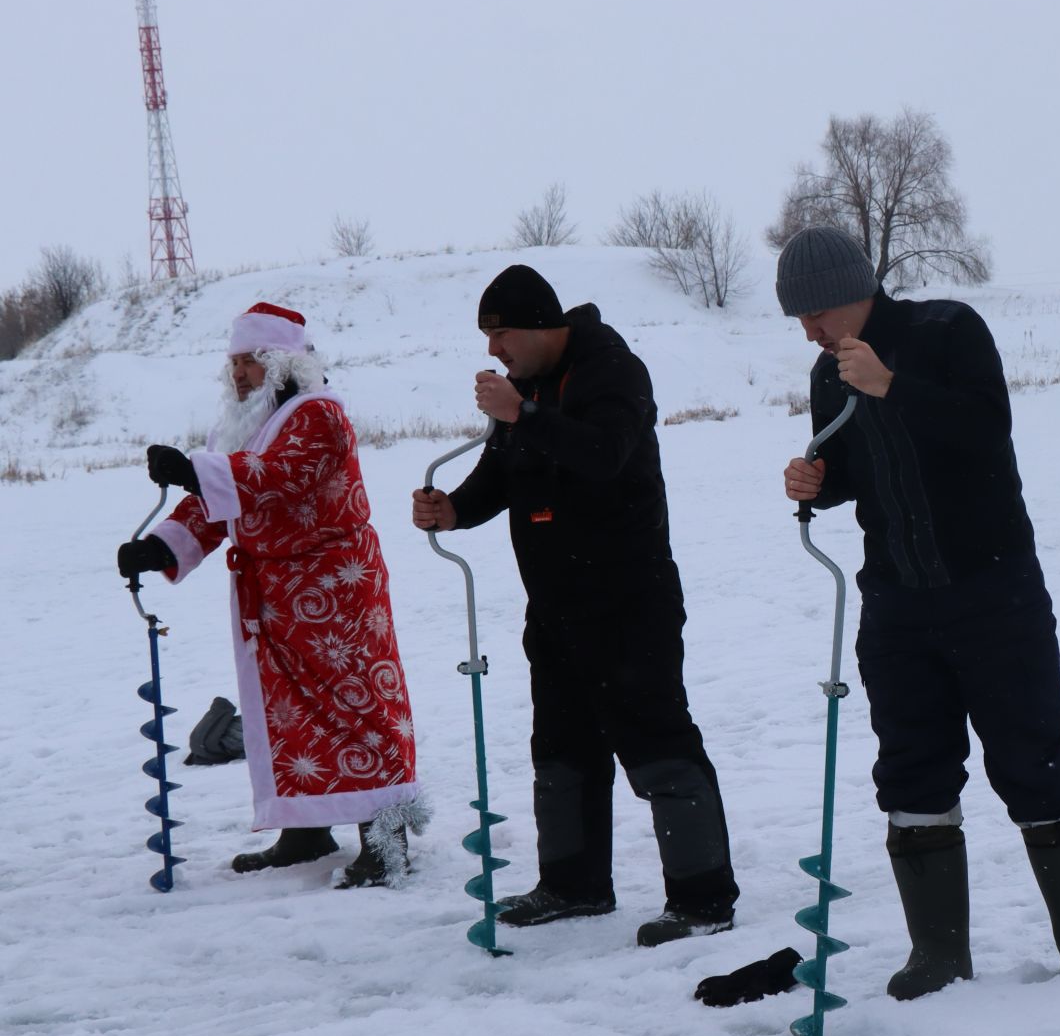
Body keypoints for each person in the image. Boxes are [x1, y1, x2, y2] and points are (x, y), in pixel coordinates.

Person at [777, 226, 1060, 999]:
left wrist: (891, 386)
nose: (809, 331)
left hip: (992, 587)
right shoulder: (829, 375)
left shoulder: (948, 329)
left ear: (852, 292)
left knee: (1035, 758)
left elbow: (984, 429)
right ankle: (937, 953)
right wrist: (816, 483)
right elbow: (851, 470)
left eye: (815, 313)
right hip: (895, 601)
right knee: (910, 770)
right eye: (800, 320)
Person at [410, 265, 737, 946]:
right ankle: (573, 884)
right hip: (554, 602)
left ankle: (703, 900)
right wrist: (454, 510)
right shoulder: (524, 390)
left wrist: (523, 415)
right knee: (561, 748)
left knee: (656, 743)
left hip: (629, 597)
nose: (493, 351)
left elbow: (604, 455)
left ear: (536, 325)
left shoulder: (613, 370)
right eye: (488, 338)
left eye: (500, 335)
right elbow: (501, 473)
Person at [117, 302, 423, 888]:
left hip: (336, 588)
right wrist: (161, 546)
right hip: (272, 593)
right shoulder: (241, 424)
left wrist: (193, 471)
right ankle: (305, 830)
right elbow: (220, 500)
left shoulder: (319, 415)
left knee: (358, 706)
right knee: (288, 713)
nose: (238, 374)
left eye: (251, 362)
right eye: (233, 362)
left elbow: (276, 476)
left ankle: (387, 841)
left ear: (282, 363)